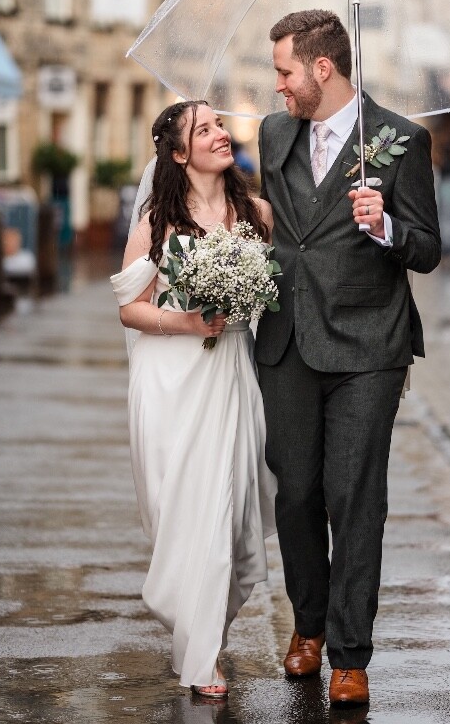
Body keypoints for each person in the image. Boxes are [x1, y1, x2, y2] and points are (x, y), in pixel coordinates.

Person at [255, 10, 441, 707]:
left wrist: (385, 224)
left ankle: (349, 652)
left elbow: (427, 247)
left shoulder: (400, 141)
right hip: (286, 341)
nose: (277, 87)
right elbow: (271, 224)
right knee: (297, 491)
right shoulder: (275, 135)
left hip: (368, 345)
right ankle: (306, 624)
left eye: (284, 72)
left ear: (321, 69)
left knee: (354, 495)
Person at [110, 100, 276, 698]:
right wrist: (190, 322)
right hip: (168, 382)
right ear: (179, 154)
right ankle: (200, 648)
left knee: (229, 514)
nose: (220, 134)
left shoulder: (255, 213)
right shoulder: (157, 223)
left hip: (231, 376)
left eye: (218, 125)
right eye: (204, 129)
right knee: (183, 515)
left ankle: (206, 646)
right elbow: (130, 308)